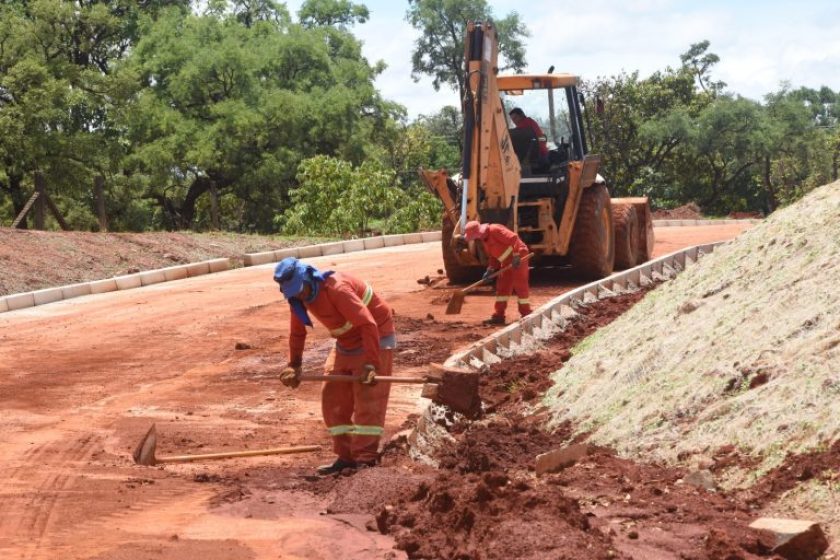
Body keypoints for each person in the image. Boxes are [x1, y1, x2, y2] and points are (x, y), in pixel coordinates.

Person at [274, 257, 396, 475]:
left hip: (375, 335)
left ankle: (365, 459)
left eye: (299, 288)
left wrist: (371, 363)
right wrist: (294, 365)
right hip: (346, 341)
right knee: (332, 394)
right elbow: (297, 332)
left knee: (367, 397)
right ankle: (346, 456)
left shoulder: (337, 289)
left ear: (308, 278)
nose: (298, 294)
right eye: (293, 292)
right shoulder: (297, 299)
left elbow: (368, 324)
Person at [463, 221, 531, 325]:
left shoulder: (494, 230)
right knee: (502, 286)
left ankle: (526, 313)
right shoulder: (484, 240)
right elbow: (493, 257)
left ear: (479, 232)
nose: (475, 239)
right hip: (507, 261)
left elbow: (514, 238)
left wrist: (517, 255)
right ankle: (498, 315)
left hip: (519, 256)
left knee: (520, 285)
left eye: (475, 236)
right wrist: (490, 269)